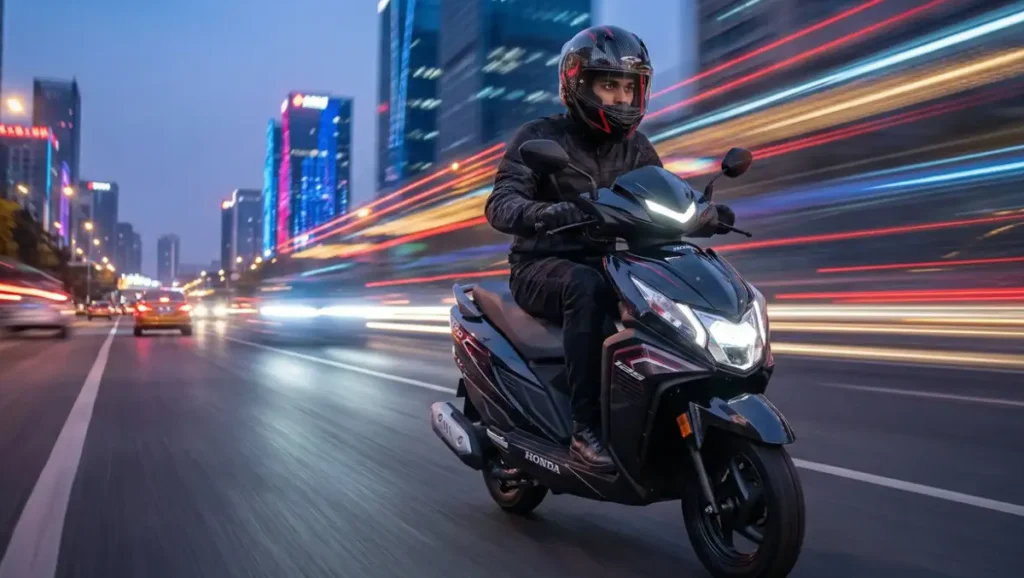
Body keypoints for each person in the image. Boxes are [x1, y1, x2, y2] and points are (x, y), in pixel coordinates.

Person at [483, 25, 663, 470]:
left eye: (628, 87)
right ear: (576, 84)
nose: (621, 98)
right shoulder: (539, 136)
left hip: (615, 264)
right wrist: (543, 213)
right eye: (608, 85)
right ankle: (586, 429)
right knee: (587, 287)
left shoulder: (636, 147)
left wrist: (704, 212)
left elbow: (665, 191)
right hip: (543, 265)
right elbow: (500, 201)